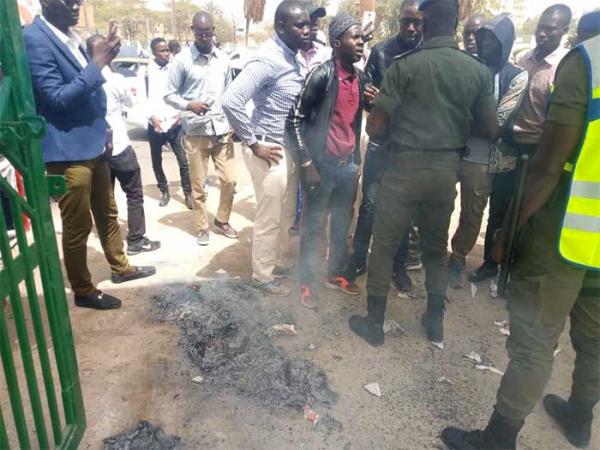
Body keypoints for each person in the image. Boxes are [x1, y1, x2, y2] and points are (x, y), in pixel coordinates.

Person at [441, 26, 600, 450]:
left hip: (568, 231)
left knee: (534, 341)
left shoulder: (588, 60)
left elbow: (549, 164)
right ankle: (579, 415)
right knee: (596, 337)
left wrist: (510, 232)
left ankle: (499, 437)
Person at [348, 0, 498, 347]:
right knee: (434, 247)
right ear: (457, 23)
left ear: (426, 22)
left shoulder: (405, 66)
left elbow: (378, 126)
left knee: (383, 246)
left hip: (403, 169)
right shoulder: (476, 70)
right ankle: (435, 322)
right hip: (446, 172)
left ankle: (374, 323)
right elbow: (490, 128)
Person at [23, 0, 155, 310]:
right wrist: (96, 64)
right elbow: (56, 99)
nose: (74, 5)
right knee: (78, 223)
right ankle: (82, 289)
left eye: (78, 0)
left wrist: (104, 126)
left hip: (95, 143)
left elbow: (91, 92)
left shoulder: (70, 36)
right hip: (67, 152)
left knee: (107, 212)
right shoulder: (35, 39)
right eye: (66, 0)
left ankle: (120, 267)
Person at [470, 4, 571, 283]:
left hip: (538, 147)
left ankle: (516, 269)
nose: (543, 33)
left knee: (529, 210)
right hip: (509, 144)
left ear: (563, 31)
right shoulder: (522, 61)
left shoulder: (563, 66)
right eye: (541, 26)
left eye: (550, 29)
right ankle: (490, 263)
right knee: (500, 206)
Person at [288, 12, 377, 308]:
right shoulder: (321, 75)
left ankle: (335, 273)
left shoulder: (361, 78)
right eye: (355, 37)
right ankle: (306, 282)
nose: (361, 43)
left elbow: (357, 119)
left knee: (341, 224)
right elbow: (295, 120)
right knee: (313, 226)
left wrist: (372, 105)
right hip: (320, 166)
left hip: (347, 167)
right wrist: (306, 164)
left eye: (362, 38)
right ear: (337, 43)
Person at [222, 0, 311, 297]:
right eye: (300, 25)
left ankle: (275, 263)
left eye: (308, 24)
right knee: (269, 217)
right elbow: (231, 100)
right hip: (267, 147)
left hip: (285, 148)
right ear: (281, 27)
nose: (307, 30)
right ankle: (261, 277)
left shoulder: (292, 56)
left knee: (285, 214)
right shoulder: (268, 59)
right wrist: (252, 142)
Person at [346, 0, 423, 294]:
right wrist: (372, 99)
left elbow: (425, 109)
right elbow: (367, 98)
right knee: (369, 205)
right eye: (406, 21)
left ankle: (398, 266)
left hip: (411, 149)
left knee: (404, 209)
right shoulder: (380, 52)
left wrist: (387, 101)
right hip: (381, 143)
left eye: (417, 21)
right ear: (399, 21)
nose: (411, 27)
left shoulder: (430, 54)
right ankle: (358, 259)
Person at [448, 14, 528, 288]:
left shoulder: (516, 77)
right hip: (454, 150)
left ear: (504, 44)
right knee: (438, 203)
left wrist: (466, 116)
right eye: (481, 38)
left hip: (485, 159)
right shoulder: (468, 66)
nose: (482, 44)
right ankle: (432, 253)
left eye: (490, 40)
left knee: (472, 214)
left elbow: (498, 124)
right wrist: (476, 117)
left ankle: (457, 259)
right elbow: (452, 108)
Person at [165, 12, 238, 246]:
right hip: (196, 132)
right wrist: (189, 105)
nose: (205, 37)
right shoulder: (182, 61)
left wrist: (233, 121)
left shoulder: (224, 59)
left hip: (221, 130)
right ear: (192, 30)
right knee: (198, 185)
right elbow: (168, 94)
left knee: (229, 181)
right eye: (200, 32)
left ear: (214, 30)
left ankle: (222, 219)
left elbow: (231, 93)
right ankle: (201, 227)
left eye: (208, 32)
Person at [86, 34, 161, 257]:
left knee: (104, 200)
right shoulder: (115, 80)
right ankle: (136, 240)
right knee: (134, 194)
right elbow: (130, 102)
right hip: (119, 146)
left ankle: (112, 244)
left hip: (95, 151)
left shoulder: (82, 78)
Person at [147, 37, 192, 209]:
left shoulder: (175, 68)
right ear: (154, 52)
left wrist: (180, 115)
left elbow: (184, 93)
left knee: (183, 159)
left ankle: (187, 193)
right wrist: (152, 118)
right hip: (155, 123)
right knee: (156, 161)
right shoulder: (145, 72)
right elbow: (142, 98)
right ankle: (164, 190)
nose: (166, 53)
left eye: (167, 50)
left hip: (175, 122)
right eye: (162, 50)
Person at [297, 4, 330, 75]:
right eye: (310, 19)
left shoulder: (323, 54)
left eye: (316, 19)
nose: (315, 24)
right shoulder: (289, 55)